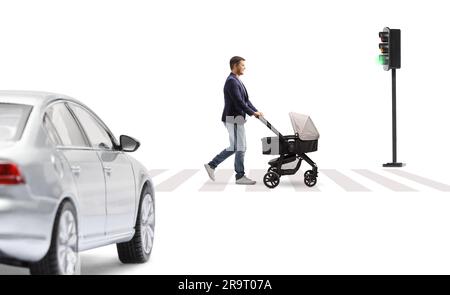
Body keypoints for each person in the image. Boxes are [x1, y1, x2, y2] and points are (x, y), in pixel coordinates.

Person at [204, 56, 263, 185]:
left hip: (236, 118)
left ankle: (212, 165)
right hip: (233, 118)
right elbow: (238, 102)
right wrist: (252, 113)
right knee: (240, 147)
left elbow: (246, 100)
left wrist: (256, 111)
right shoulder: (231, 81)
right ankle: (240, 176)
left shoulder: (237, 80)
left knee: (235, 147)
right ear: (235, 66)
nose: (244, 68)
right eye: (242, 65)